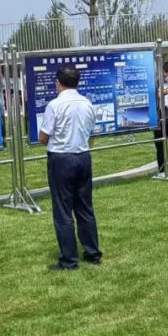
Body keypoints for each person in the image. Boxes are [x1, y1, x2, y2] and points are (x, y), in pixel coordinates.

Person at [39, 66, 101, 270]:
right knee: (85, 208)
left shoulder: (55, 105)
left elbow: (43, 137)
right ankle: (92, 253)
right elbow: (91, 131)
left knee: (63, 210)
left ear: (58, 82)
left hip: (61, 159)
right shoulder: (87, 103)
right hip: (83, 156)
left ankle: (69, 259)